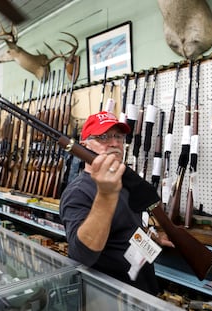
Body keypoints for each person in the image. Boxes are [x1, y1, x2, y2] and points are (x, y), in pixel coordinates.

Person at [59, 111, 173, 295]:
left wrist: (153, 237)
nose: (114, 143)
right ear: (84, 145)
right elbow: (82, 255)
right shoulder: (77, 192)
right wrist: (106, 195)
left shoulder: (125, 182)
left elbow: (124, 227)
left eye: (118, 136)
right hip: (110, 297)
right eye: (103, 137)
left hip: (141, 291)